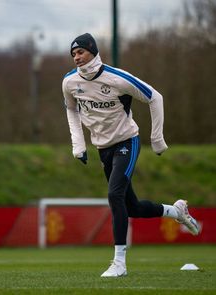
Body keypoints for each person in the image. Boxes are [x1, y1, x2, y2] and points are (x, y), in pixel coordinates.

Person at [62, 33, 200, 277]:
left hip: (127, 141)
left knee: (114, 194)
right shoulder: (70, 82)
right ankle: (176, 212)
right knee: (132, 207)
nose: (76, 57)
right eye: (73, 54)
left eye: (81, 52)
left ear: (93, 51)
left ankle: (119, 263)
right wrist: (78, 144)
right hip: (102, 148)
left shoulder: (118, 79)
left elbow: (155, 98)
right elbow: (71, 110)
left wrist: (157, 139)